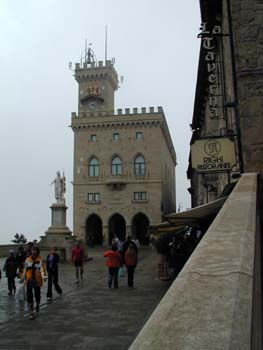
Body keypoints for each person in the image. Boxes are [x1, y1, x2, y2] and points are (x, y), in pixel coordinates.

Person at [21, 246, 47, 320]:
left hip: (37, 280)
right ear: (31, 251)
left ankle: (38, 304)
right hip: (29, 280)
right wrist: (22, 278)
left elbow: (43, 269)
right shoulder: (27, 260)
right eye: (32, 250)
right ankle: (31, 312)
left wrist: (44, 277)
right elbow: (25, 270)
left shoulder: (40, 260)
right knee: (29, 296)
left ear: (37, 251)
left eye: (35, 250)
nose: (33, 252)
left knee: (37, 294)